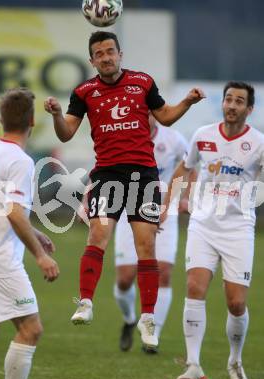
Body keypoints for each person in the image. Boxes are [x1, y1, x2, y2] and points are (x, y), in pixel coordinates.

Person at [44, 30, 204, 351]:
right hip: (106, 177)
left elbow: (166, 117)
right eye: (99, 53)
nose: (105, 57)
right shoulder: (84, 91)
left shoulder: (143, 82)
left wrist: (186, 101)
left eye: (110, 51)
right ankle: (86, 302)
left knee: (146, 248)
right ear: (92, 60)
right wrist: (59, 115)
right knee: (97, 238)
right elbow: (65, 134)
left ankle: (147, 320)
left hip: (144, 178)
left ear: (120, 54)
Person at [167, 81, 264, 379]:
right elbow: (186, 169)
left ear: (249, 109)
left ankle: (235, 361)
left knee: (236, 304)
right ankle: (193, 364)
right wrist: (169, 203)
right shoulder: (202, 135)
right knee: (195, 287)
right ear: (222, 103)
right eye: (228, 100)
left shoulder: (259, 143)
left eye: (239, 102)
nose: (232, 106)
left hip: (238, 228)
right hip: (203, 225)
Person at [0, 88, 60, 379]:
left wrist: (36, 231)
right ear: (32, 119)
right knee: (30, 329)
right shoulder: (21, 160)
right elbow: (15, 213)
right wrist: (40, 255)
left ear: (2, 119)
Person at [114, 113, 196, 353]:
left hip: (164, 212)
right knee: (125, 279)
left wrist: (185, 197)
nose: (145, 116)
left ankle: (152, 334)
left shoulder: (175, 140)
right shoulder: (122, 138)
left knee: (164, 273)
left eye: (149, 111)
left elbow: (190, 169)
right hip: (130, 212)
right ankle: (130, 319)